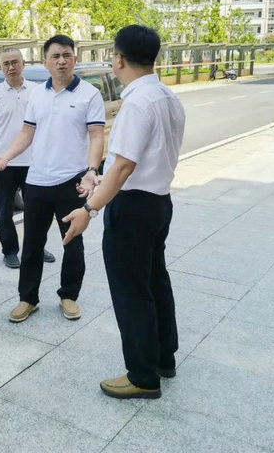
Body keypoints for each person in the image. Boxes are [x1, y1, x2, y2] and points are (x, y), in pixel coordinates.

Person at [62, 25, 186, 400]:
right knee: (155, 281)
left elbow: (124, 166)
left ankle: (143, 376)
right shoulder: (167, 97)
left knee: (132, 291)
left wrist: (89, 207)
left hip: (132, 209)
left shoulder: (137, 102)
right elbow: (137, 162)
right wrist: (99, 182)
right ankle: (163, 358)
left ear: (118, 59)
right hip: (158, 203)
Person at [0, 35, 105, 324]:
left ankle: (68, 295)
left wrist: (91, 170)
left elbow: (97, 136)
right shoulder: (37, 94)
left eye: (66, 55)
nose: (61, 61)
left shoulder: (89, 94)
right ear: (46, 61)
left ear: (74, 58)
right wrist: (5, 157)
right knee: (32, 244)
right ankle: (28, 298)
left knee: (72, 242)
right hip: (37, 180)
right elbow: (27, 133)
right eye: (55, 56)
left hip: (71, 181)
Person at [0, 48, 56, 269]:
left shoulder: (37, 91)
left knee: (37, 210)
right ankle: (10, 251)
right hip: (4, 163)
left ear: (23, 63)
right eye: (6, 64)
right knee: (5, 211)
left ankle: (36, 247)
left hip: (34, 161)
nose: (11, 67)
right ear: (1, 67)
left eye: (14, 62)